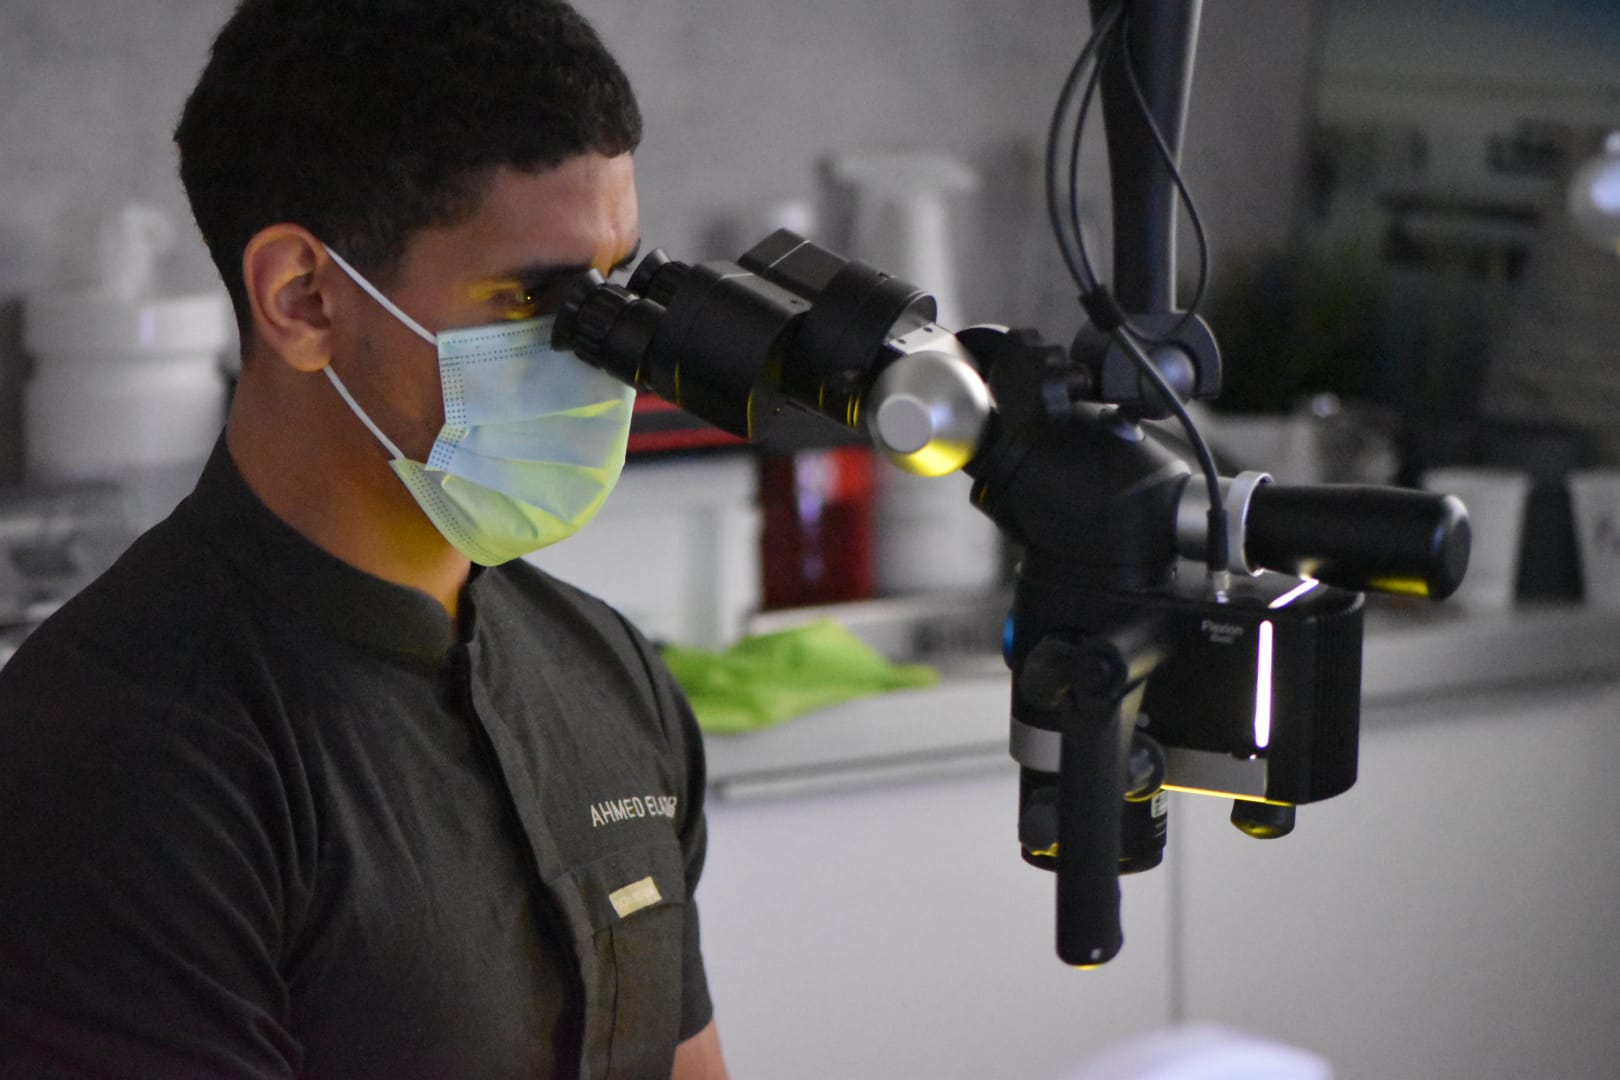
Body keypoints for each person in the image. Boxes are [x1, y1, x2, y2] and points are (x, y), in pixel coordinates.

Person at [0, 1, 727, 1077]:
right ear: (304, 299)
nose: (599, 349)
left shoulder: (606, 671)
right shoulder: (121, 759)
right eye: (535, 295)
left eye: (613, 284)